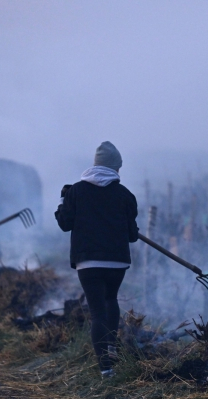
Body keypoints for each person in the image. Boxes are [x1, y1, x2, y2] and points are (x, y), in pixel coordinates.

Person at [55, 141, 138, 378]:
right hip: (117, 263)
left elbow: (64, 224)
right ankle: (111, 349)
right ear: (115, 168)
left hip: (88, 263)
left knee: (97, 313)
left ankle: (105, 368)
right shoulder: (125, 195)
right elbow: (132, 236)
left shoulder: (76, 192)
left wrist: (63, 200)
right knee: (111, 299)